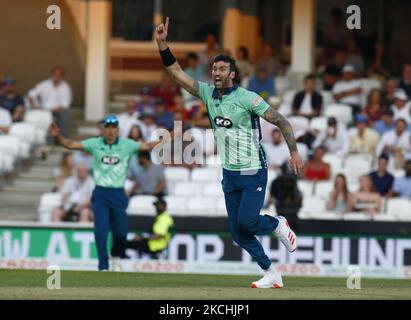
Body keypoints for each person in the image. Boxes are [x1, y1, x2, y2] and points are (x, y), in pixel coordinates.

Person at [154, 17, 304, 289]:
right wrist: (163, 44)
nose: (217, 73)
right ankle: (271, 272)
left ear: (232, 73)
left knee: (247, 221)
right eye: (214, 68)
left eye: (222, 69)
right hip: (229, 172)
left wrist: (293, 152)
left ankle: (277, 224)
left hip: (252, 169)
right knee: (237, 232)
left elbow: (281, 120)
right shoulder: (208, 94)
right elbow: (176, 73)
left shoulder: (247, 98)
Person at [49, 115, 169, 271]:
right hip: (101, 193)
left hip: (118, 194)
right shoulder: (95, 143)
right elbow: (71, 144)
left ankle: (117, 256)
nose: (111, 131)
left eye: (114, 128)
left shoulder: (127, 145)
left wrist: (165, 140)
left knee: (121, 232)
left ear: (118, 130)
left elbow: (146, 146)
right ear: (104, 130)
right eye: (108, 128)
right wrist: (58, 137)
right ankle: (103, 265)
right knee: (101, 230)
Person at [28, 66, 72, 136]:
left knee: (64, 113)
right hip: (42, 109)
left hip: (57, 111)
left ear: (62, 76)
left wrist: (50, 111)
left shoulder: (65, 87)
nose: (57, 76)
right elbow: (31, 94)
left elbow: (64, 105)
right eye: (55, 74)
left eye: (59, 75)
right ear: (52, 74)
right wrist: (34, 107)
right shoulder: (44, 84)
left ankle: (62, 138)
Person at [270, 163, 302, 231]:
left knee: (292, 225)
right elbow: (273, 194)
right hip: (280, 208)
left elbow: (297, 196)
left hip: (293, 208)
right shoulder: (276, 181)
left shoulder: (294, 180)